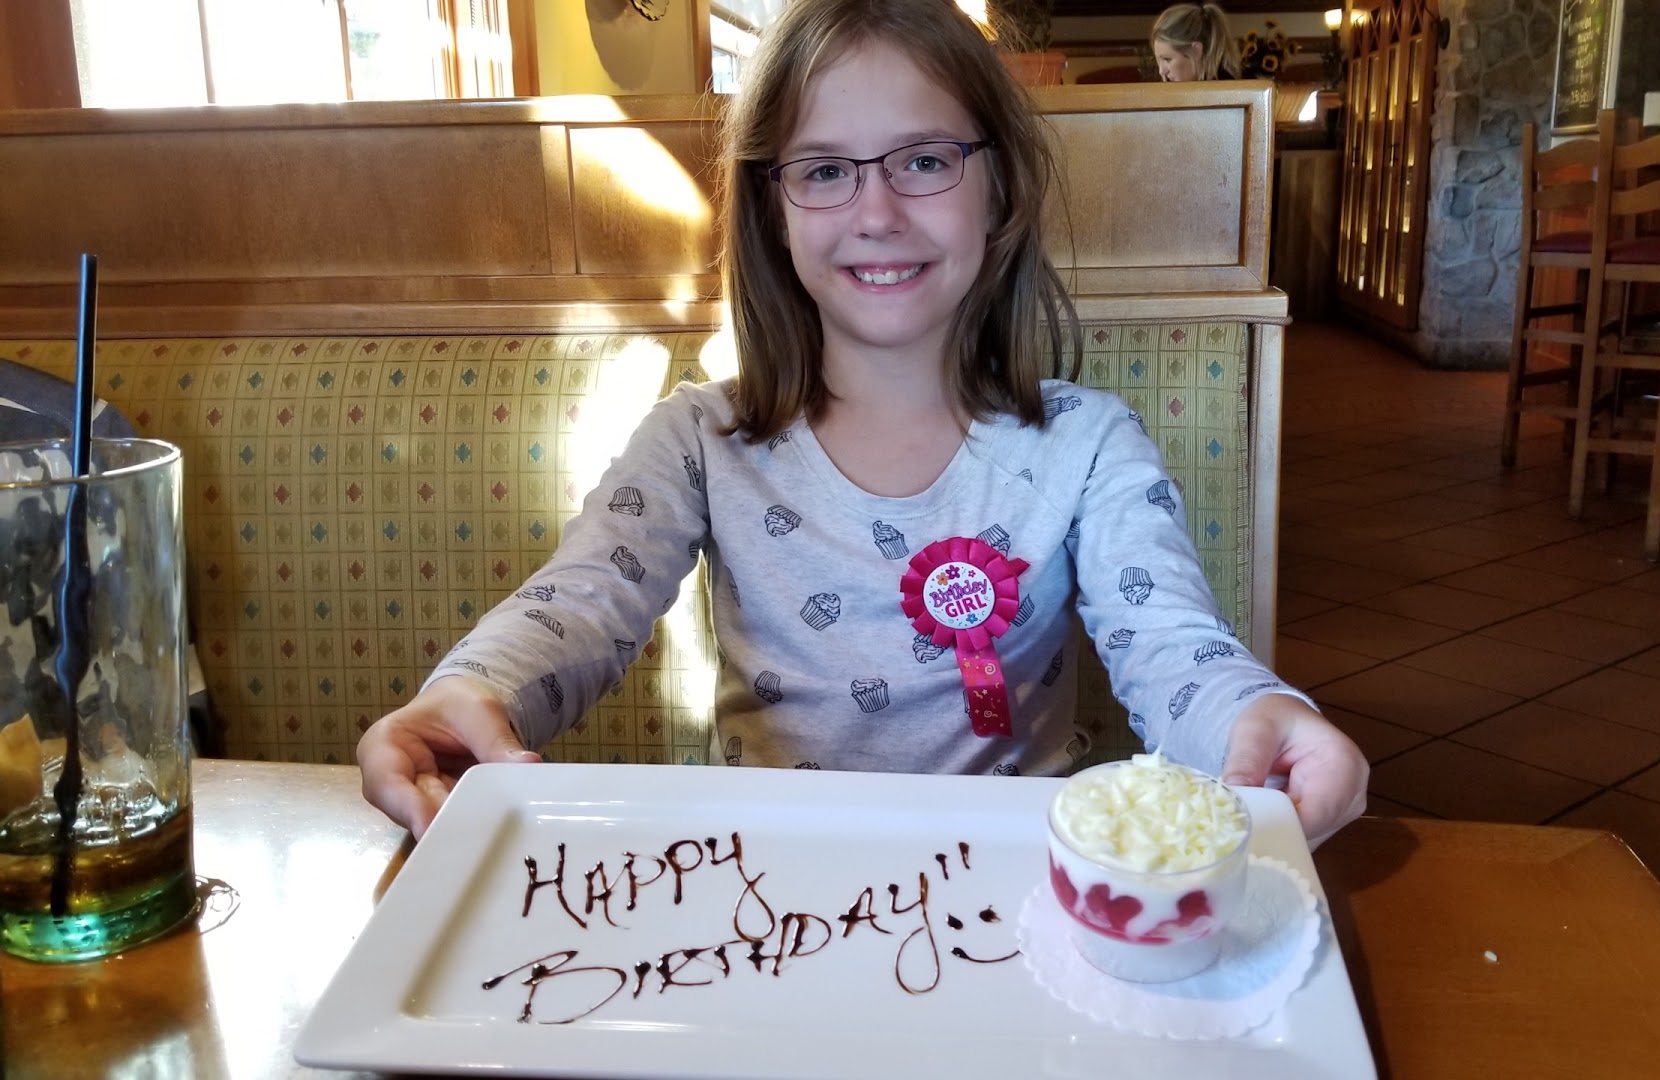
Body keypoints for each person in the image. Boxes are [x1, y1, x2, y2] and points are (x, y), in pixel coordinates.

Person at [356, 0, 1365, 846]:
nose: (876, 213)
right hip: (767, 894)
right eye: (826, 169)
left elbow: (1170, 645)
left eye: (924, 160)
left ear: (999, 186)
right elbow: (580, 603)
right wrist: (471, 690)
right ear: (774, 206)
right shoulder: (697, 441)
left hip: (1017, 896)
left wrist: (1258, 718)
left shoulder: (1089, 445)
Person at [1151, 3, 1241, 83]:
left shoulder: (1226, 91)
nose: (1161, 71)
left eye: (1167, 59)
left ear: (1196, 50)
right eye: (1159, 60)